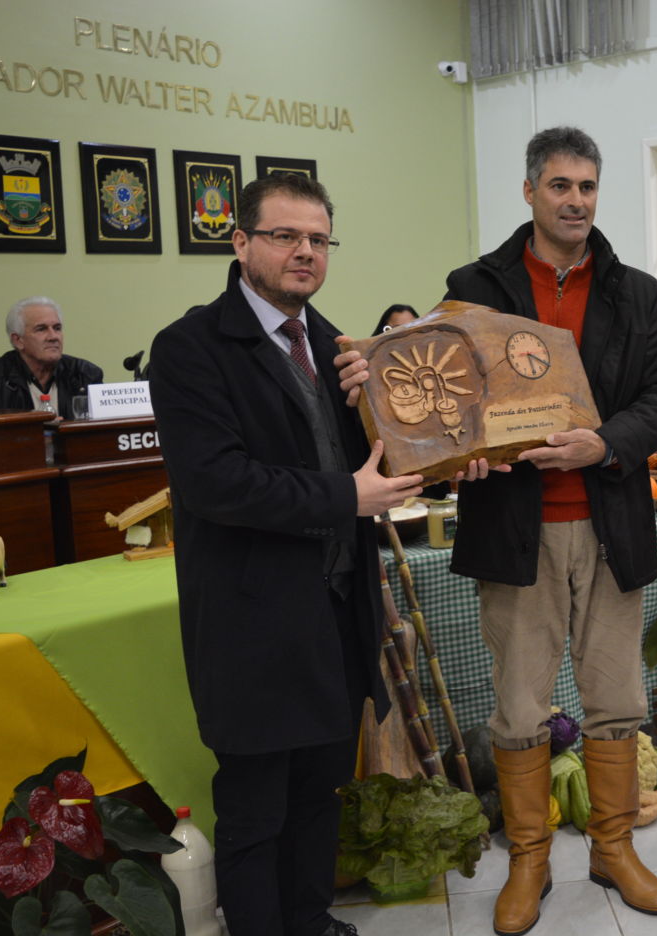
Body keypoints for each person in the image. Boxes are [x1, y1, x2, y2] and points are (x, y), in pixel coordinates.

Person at [339, 126, 657, 936]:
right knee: (521, 705)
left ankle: (613, 846)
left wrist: (605, 441)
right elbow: (448, 402)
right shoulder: (477, 284)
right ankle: (528, 858)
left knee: (615, 697)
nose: (576, 201)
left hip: (610, 526)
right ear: (530, 191)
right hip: (514, 531)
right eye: (561, 186)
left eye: (588, 187)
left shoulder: (632, 290)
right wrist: (453, 454)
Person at [149, 172, 426, 936]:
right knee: (255, 808)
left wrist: (422, 441)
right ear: (240, 244)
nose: (304, 251)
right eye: (284, 235)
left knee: (319, 791)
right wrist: (348, 497)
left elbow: (381, 463)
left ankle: (310, 919)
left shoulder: (340, 349)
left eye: (317, 239)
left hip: (336, 615)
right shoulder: (189, 348)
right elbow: (215, 483)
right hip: (251, 623)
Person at [0, 297, 103, 419]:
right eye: (41, 329)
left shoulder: (85, 374)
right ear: (18, 340)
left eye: (57, 328)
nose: (53, 337)